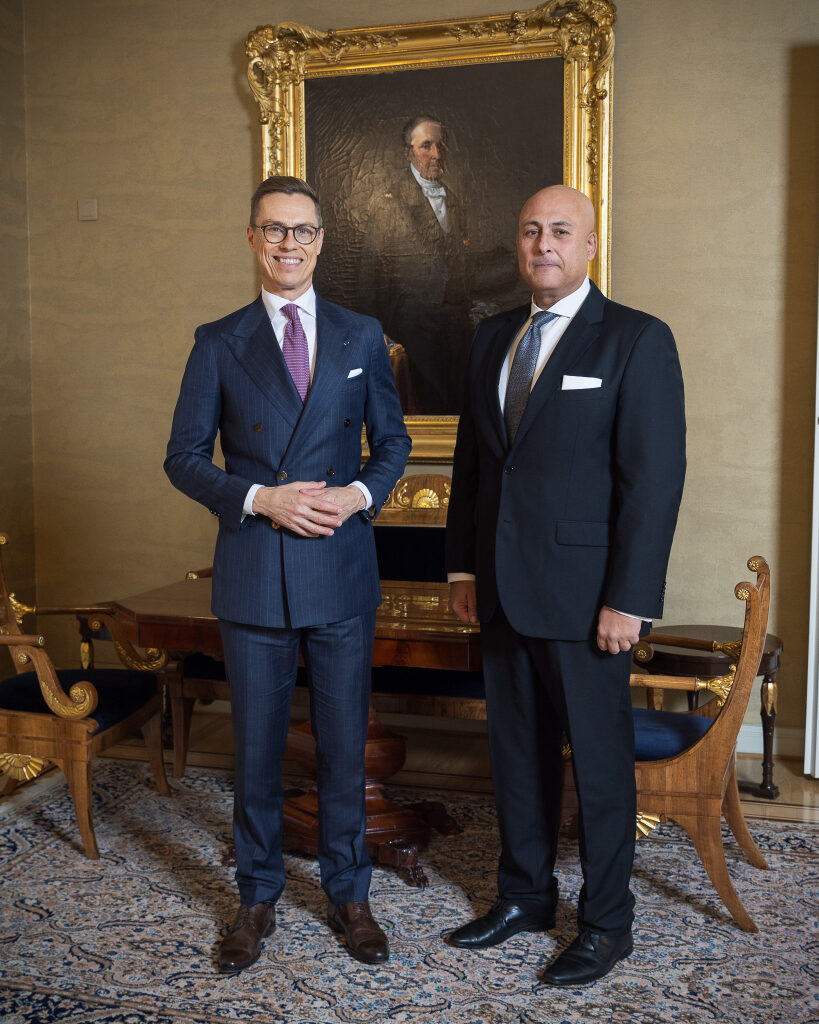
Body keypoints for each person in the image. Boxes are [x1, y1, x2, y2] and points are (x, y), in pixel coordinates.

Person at [165, 175, 411, 973]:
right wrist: (261, 496)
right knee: (257, 750)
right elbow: (183, 459)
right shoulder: (218, 340)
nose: (288, 245)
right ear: (250, 238)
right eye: (273, 230)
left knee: (343, 747)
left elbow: (393, 444)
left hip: (339, 567)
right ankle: (256, 896)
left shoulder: (360, 333)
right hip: (254, 572)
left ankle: (349, 894)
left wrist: (357, 493)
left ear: (321, 239)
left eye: (302, 231)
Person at [445, 185, 686, 986]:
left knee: (600, 767)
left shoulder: (634, 340)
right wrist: (462, 567)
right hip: (503, 589)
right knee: (515, 755)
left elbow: (651, 482)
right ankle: (524, 897)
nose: (542, 243)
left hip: (589, 602)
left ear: (588, 245)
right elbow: (474, 470)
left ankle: (606, 923)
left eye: (559, 231)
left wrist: (630, 598)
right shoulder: (490, 340)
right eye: (529, 231)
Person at [357, 115, 472, 414]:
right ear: (408, 152)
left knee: (459, 401)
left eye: (440, 145)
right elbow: (369, 275)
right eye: (426, 146)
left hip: (455, 326)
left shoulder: (455, 200)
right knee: (427, 402)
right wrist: (376, 331)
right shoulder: (388, 202)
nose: (435, 154)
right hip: (412, 328)